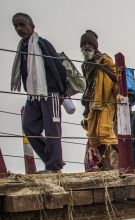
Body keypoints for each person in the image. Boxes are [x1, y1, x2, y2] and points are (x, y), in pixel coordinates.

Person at [11, 13, 67, 173]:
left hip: (51, 93)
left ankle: (54, 166)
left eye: (22, 24)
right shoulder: (22, 48)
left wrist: (62, 92)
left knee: (52, 130)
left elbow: (58, 68)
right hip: (33, 95)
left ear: (32, 26)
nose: (19, 28)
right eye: (16, 26)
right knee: (28, 126)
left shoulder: (42, 44)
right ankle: (53, 161)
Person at [79, 30, 118, 171]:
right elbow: (89, 85)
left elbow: (117, 75)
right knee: (94, 136)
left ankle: (126, 156)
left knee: (105, 133)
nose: (87, 47)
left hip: (106, 101)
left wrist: (100, 66)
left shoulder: (104, 58)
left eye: (90, 44)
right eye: (84, 44)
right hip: (93, 103)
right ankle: (107, 168)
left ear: (95, 46)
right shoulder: (85, 64)